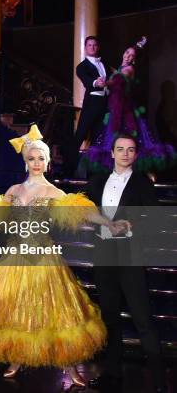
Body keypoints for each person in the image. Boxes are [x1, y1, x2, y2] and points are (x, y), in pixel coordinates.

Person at [0, 125, 116, 387]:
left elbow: (83, 212)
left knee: (56, 313)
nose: (36, 163)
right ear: (25, 161)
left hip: (43, 258)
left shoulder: (54, 192)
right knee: (15, 311)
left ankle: (70, 367)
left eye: (41, 158)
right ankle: (17, 358)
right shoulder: (14, 190)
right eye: (31, 158)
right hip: (15, 260)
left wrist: (108, 223)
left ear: (48, 161)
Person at [85, 134, 166, 392]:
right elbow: (87, 213)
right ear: (111, 153)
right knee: (110, 318)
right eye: (120, 149)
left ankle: (159, 382)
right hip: (104, 257)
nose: (125, 154)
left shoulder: (142, 182)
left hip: (130, 257)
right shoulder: (97, 181)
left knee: (143, 319)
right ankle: (112, 374)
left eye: (130, 150)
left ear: (136, 154)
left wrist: (132, 225)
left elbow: (155, 219)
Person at [82, 41, 176, 173]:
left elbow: (117, 81)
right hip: (115, 108)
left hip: (125, 110)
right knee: (112, 140)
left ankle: (134, 175)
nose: (128, 56)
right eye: (127, 53)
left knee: (127, 139)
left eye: (132, 55)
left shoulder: (129, 69)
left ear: (134, 59)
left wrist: (105, 82)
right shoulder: (121, 67)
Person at [68, 35, 110, 175]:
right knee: (80, 135)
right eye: (89, 45)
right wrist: (95, 83)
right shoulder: (81, 66)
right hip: (91, 103)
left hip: (104, 104)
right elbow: (87, 81)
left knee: (99, 138)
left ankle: (94, 170)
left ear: (98, 47)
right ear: (85, 48)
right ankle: (70, 167)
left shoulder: (105, 63)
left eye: (95, 45)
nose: (92, 47)